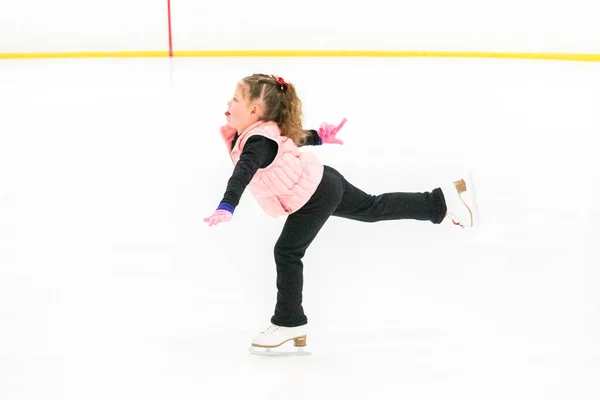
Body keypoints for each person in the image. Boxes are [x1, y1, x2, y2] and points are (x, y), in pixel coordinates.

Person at [204, 73, 478, 354]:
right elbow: (291, 139)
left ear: (254, 111)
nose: (229, 102)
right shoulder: (260, 132)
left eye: (235, 98)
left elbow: (243, 173)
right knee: (373, 208)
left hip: (314, 196)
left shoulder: (257, 143)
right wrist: (320, 137)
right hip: (324, 182)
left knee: (286, 251)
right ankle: (443, 200)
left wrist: (228, 204)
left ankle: (289, 322)